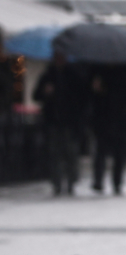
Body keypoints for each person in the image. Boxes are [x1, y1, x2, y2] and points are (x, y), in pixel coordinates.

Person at [36, 52, 89, 196]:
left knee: (70, 152)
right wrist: (45, 92)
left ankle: (71, 181)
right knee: (55, 153)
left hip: (70, 121)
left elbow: (82, 97)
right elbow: (36, 95)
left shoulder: (73, 76)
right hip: (53, 120)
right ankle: (57, 183)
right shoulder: (48, 76)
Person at [90, 64, 126, 196]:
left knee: (119, 154)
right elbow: (90, 96)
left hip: (121, 119)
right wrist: (96, 90)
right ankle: (98, 181)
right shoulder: (98, 72)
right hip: (103, 120)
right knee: (100, 152)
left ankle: (117, 182)